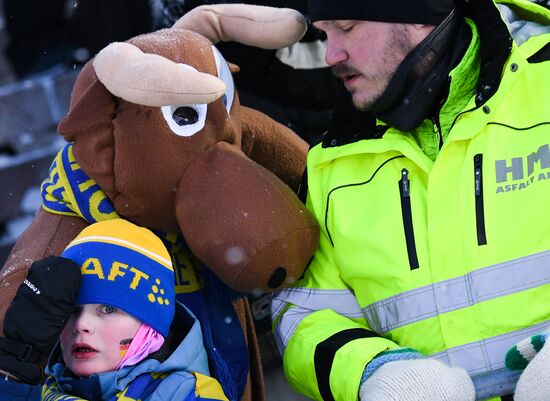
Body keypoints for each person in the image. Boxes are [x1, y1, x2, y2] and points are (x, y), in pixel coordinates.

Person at [272, 0, 550, 400]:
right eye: (323, 33)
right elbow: (304, 317)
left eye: (347, 27)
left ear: (420, 16)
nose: (331, 55)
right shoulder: (331, 164)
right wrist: (375, 372)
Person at [0, 219, 228, 401]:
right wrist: (12, 372)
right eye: (72, 310)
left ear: (150, 327)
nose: (82, 325)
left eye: (108, 309)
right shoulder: (39, 389)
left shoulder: (188, 394)